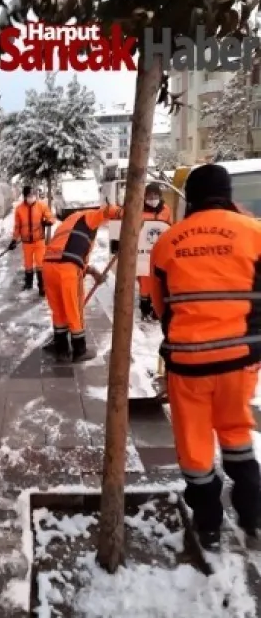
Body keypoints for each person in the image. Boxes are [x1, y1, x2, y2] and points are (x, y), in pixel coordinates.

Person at [148, 163, 261, 551]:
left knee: (195, 446)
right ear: (229, 194)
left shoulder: (168, 242)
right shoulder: (256, 233)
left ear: (190, 198)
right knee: (236, 434)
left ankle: (209, 524)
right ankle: (252, 515)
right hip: (239, 360)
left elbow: (161, 306)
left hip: (188, 362)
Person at [40, 203, 122, 361]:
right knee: (74, 309)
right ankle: (80, 350)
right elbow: (106, 211)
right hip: (67, 270)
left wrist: (92, 272)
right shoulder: (88, 216)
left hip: (48, 266)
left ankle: (61, 349)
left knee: (59, 310)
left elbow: (71, 253)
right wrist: (123, 213)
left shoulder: (68, 224)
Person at [8, 185, 55, 296]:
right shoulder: (19, 209)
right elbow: (17, 226)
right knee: (28, 264)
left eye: (33, 195)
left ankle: (42, 287)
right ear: (24, 196)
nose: (31, 197)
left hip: (39, 241)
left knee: (40, 264)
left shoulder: (41, 206)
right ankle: (28, 283)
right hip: (26, 242)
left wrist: (48, 222)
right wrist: (14, 240)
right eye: (29, 195)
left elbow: (51, 217)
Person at [137, 182, 174, 321]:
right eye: (149, 196)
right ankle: (145, 307)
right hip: (144, 251)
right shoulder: (139, 210)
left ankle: (159, 306)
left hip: (161, 249)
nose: (152, 198)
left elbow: (170, 226)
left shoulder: (166, 209)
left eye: (155, 195)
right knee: (145, 281)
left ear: (160, 196)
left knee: (161, 279)